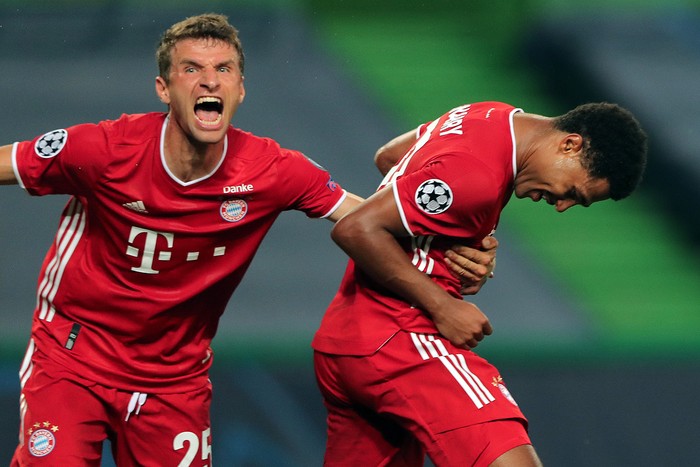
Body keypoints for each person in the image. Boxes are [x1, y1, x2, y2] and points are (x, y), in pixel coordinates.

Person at [0, 13, 497, 466]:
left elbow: (368, 218)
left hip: (175, 381)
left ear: (240, 89)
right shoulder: (103, 149)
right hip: (72, 359)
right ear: (163, 88)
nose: (209, 79)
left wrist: (449, 248)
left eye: (224, 69)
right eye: (192, 69)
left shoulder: (274, 171)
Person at [312, 101, 648, 466]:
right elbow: (356, 228)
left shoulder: (488, 115)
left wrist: (452, 231)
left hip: (346, 340)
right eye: (573, 193)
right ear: (570, 144)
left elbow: (392, 157)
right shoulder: (478, 179)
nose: (562, 206)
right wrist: (444, 306)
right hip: (403, 340)